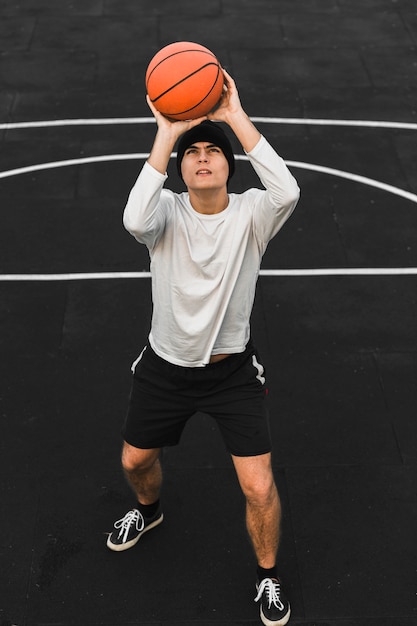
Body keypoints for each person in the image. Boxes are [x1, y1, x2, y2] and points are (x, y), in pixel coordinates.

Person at [107, 68, 300, 626]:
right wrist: (168, 130)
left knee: (259, 488)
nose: (203, 158)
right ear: (181, 169)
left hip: (231, 373)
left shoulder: (253, 216)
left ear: (228, 168)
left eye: (213, 151)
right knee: (134, 461)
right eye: (192, 154)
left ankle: (268, 578)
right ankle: (149, 512)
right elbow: (131, 216)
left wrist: (234, 115)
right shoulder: (165, 213)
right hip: (163, 367)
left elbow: (286, 189)